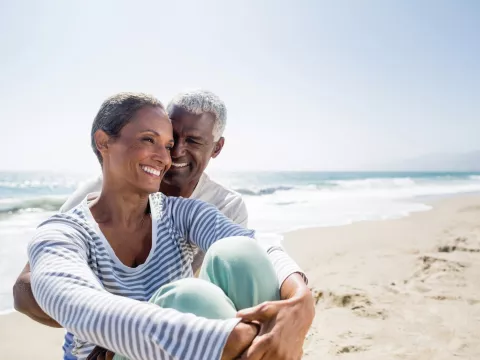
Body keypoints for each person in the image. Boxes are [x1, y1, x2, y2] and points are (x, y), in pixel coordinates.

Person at [24, 92, 315, 360]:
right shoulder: (64, 230)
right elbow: (70, 299)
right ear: (104, 142)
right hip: (113, 351)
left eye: (167, 144)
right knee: (193, 299)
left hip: (191, 337)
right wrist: (224, 338)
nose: (168, 156)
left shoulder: (182, 212)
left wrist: (300, 297)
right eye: (149, 140)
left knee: (239, 254)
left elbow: (254, 243)